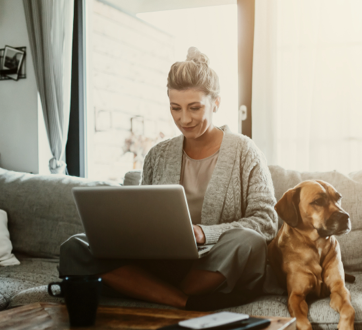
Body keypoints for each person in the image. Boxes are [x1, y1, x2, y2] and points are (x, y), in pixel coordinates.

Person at [58, 47, 278, 310]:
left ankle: (147, 290)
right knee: (74, 247)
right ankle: (185, 301)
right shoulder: (158, 154)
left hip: (215, 263)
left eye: (194, 108)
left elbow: (265, 222)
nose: (184, 119)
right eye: (175, 108)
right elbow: (142, 215)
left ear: (216, 103)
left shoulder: (245, 151)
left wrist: (202, 233)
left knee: (248, 241)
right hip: (161, 262)